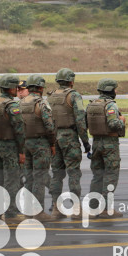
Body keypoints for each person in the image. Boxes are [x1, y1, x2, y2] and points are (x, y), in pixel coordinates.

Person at [48, 68, 90, 219]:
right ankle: (76, 208)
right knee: (73, 173)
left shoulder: (51, 96)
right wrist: (85, 142)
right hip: (69, 137)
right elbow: (80, 120)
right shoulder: (74, 95)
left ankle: (55, 208)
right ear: (71, 81)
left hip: (54, 137)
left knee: (57, 174)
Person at [0, 75, 26, 222]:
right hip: (10, 146)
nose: (17, 90)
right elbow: (19, 130)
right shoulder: (12, 106)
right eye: (15, 87)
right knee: (12, 180)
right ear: (10, 88)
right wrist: (22, 151)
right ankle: (11, 214)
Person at [20, 74, 57, 222]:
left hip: (25, 143)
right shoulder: (41, 103)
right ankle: (38, 211)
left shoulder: (21, 103)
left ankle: (28, 211)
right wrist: (52, 143)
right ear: (41, 88)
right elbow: (49, 126)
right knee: (40, 177)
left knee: (28, 177)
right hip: (40, 144)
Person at [86, 78, 125, 216]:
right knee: (111, 175)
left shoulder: (91, 105)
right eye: (115, 89)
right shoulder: (111, 106)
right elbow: (114, 124)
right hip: (110, 144)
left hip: (96, 143)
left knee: (97, 176)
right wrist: (122, 122)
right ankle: (106, 208)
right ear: (110, 90)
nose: (116, 91)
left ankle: (93, 206)